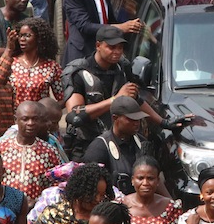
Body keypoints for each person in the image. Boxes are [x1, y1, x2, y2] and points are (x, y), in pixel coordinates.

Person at [63, 25, 180, 159]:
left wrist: (163, 122)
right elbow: (75, 115)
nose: (117, 52)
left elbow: (136, 99)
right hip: (86, 145)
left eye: (120, 48)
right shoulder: (79, 71)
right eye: (112, 47)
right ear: (98, 45)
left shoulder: (123, 67)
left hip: (121, 142)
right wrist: (115, 99)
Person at [0, 101, 62, 203]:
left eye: (35, 119)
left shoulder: (49, 152)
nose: (30, 123)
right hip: (2, 210)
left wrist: (39, 202)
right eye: (25, 119)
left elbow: (57, 185)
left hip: (36, 213)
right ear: (16, 120)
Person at [0, 19, 62, 108]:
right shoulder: (11, 63)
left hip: (40, 119)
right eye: (20, 36)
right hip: (15, 119)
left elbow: (62, 98)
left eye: (27, 36)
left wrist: (47, 112)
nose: (22, 39)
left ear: (39, 38)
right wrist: (8, 49)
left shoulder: (51, 66)